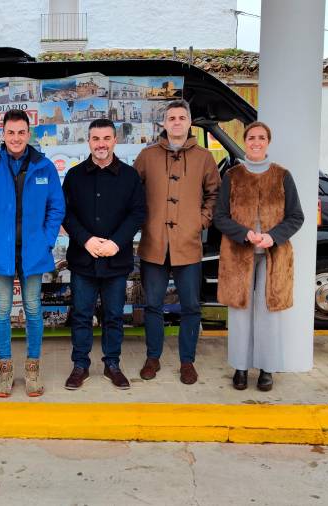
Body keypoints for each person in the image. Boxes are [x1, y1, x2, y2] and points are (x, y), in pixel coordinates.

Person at [0, 109, 65, 398]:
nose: (15, 138)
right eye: (10, 132)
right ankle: (5, 367)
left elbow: (56, 207)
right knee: (0, 309)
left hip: (33, 252)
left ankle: (33, 367)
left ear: (28, 133)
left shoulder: (44, 166)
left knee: (34, 309)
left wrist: (47, 240)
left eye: (21, 132)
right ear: (3, 134)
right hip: (1, 251)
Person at [134, 99, 220, 385]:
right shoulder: (147, 156)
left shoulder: (204, 158)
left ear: (189, 122)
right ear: (164, 124)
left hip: (188, 243)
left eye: (182, 118)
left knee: (191, 307)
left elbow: (214, 194)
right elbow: (132, 193)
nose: (177, 122)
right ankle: (153, 357)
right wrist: (143, 220)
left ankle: (187, 361)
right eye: (171, 118)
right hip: (154, 244)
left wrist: (201, 221)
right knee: (153, 305)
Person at [213, 121, 304, 392]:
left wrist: (272, 236)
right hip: (238, 255)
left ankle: (266, 368)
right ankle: (240, 368)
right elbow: (219, 217)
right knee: (240, 312)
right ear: (245, 141)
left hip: (274, 257)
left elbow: (296, 216)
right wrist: (244, 233)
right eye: (251, 137)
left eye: (261, 137)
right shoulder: (232, 176)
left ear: (268, 142)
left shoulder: (282, 176)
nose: (255, 142)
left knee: (268, 312)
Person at [61, 119, 146, 390]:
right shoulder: (74, 176)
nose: (101, 144)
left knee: (113, 316)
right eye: (96, 138)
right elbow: (66, 213)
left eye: (106, 138)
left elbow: (138, 213)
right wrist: (85, 239)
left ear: (114, 141)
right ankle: (80, 365)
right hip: (83, 259)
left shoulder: (130, 176)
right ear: (89, 141)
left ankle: (112, 364)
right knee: (82, 315)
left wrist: (117, 243)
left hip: (116, 260)